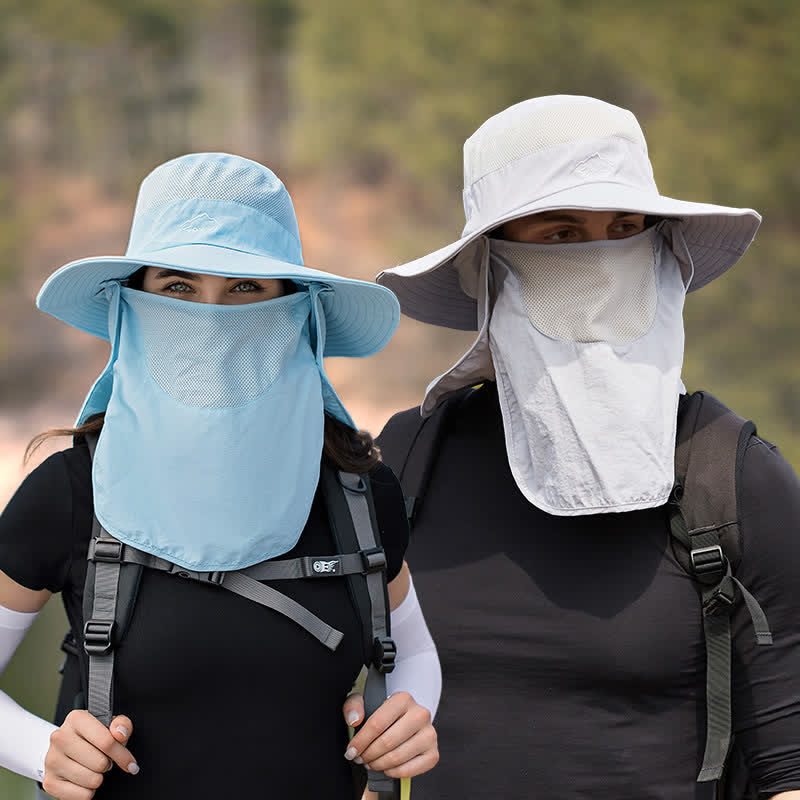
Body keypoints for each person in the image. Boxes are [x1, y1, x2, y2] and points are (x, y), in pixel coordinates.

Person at [375, 95, 800, 799]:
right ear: (490, 262)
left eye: (626, 229)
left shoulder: (731, 477)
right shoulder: (411, 458)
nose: (603, 263)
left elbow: (791, 766)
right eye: (563, 233)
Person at [0, 152, 440, 799]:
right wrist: (43, 753)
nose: (211, 316)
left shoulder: (359, 493)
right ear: (133, 308)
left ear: (297, 311)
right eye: (178, 288)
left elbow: (416, 653)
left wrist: (409, 714)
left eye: (245, 288)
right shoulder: (73, 491)